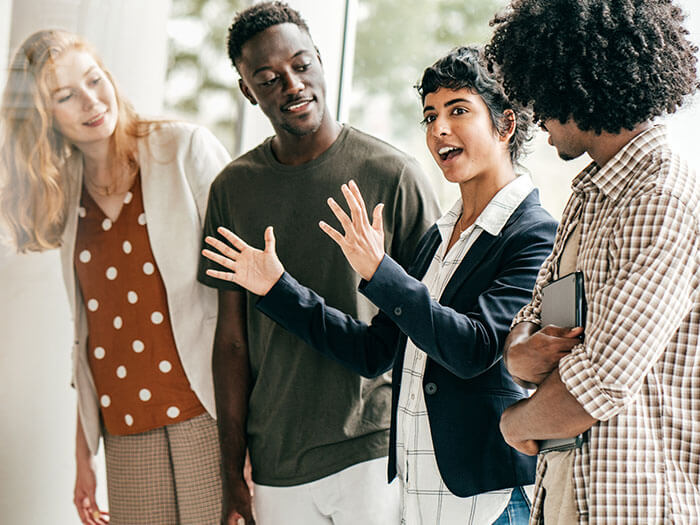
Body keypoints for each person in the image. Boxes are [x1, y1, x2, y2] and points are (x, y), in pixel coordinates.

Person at [202, 45, 558, 524]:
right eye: (430, 115)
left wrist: (379, 271)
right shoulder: (438, 238)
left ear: (506, 125)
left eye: (458, 111)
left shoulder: (533, 233)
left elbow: (475, 348)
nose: (439, 129)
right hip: (422, 499)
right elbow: (374, 353)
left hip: (489, 499)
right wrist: (277, 288)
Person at [195, 2, 440, 523]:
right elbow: (232, 340)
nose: (291, 84)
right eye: (267, 78)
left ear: (321, 63)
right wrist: (229, 463)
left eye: (301, 65)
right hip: (277, 459)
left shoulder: (395, 176)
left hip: (372, 451)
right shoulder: (233, 191)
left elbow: (430, 326)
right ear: (247, 91)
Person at [0, 30, 231, 525]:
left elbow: (245, 296)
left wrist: (251, 431)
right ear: (45, 119)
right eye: (65, 96)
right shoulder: (65, 201)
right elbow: (93, 338)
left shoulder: (183, 148)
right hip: (123, 432)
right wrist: (84, 453)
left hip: (207, 416)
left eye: (94, 80)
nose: (90, 101)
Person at [484, 0, 700, 523]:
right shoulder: (590, 194)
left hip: (633, 504)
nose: (534, 115)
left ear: (576, 83)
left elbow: (600, 381)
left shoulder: (662, 194)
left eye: (538, 96)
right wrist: (519, 355)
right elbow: (529, 321)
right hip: (568, 492)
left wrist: (515, 424)